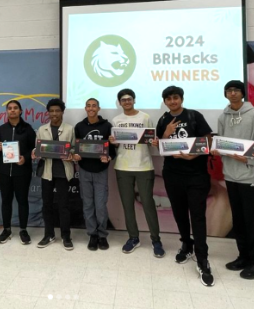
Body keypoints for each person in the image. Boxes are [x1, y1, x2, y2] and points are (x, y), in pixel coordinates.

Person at [212, 80, 254, 280]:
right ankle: (242, 256)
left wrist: (248, 159)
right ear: (225, 94)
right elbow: (222, 143)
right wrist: (217, 149)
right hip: (230, 176)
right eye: (229, 91)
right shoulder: (223, 117)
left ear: (242, 93)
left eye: (236, 90)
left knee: (251, 221)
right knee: (238, 219)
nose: (232, 94)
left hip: (249, 176)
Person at [154, 86, 214, 286]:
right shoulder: (163, 120)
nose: (172, 101)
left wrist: (194, 154)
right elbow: (160, 146)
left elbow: (208, 139)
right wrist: (166, 133)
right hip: (172, 174)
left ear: (181, 99)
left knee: (197, 215)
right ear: (165, 101)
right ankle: (186, 244)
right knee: (179, 213)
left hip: (196, 175)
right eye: (169, 99)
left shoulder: (194, 116)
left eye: (175, 98)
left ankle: (202, 258)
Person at [109, 88, 164, 257]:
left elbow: (151, 141)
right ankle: (133, 237)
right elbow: (116, 144)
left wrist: (154, 142)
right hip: (123, 166)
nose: (126, 102)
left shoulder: (145, 117)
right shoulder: (116, 120)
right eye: (123, 100)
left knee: (148, 203)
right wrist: (114, 142)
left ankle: (156, 239)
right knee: (127, 205)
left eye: (129, 99)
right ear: (119, 102)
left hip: (144, 166)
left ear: (134, 100)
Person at [32, 98, 75, 250]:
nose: (54, 113)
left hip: (63, 172)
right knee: (47, 205)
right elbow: (37, 149)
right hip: (47, 172)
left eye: (57, 110)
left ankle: (66, 236)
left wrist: (71, 154)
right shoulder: (42, 129)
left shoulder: (70, 129)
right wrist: (35, 153)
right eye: (52, 111)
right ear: (48, 113)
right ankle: (48, 234)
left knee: (63, 206)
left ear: (62, 112)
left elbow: (75, 149)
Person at [73, 98, 114, 251]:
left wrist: (108, 157)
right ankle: (92, 235)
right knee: (88, 204)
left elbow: (112, 149)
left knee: (101, 205)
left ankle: (102, 235)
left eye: (94, 106)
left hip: (101, 171)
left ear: (98, 108)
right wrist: (76, 155)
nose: (91, 108)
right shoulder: (79, 126)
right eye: (88, 106)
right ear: (85, 108)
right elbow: (76, 148)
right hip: (84, 170)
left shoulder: (107, 126)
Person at [0, 100, 36, 245]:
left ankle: (23, 230)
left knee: (22, 201)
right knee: (6, 201)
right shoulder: (1, 129)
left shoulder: (28, 129)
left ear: (20, 111)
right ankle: (6, 229)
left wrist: (26, 158)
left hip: (22, 172)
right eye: (9, 108)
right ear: (6, 111)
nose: (12, 110)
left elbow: (33, 150)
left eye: (15, 108)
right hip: (3, 172)